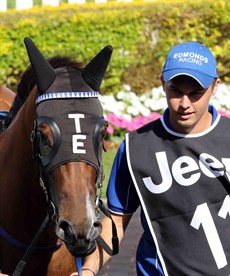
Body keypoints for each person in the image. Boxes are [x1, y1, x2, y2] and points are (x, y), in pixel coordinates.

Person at [77, 41, 230, 275]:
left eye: (196, 93)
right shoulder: (134, 147)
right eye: (176, 91)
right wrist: (88, 270)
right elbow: (117, 220)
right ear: (162, 83)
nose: (185, 104)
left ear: (215, 86)